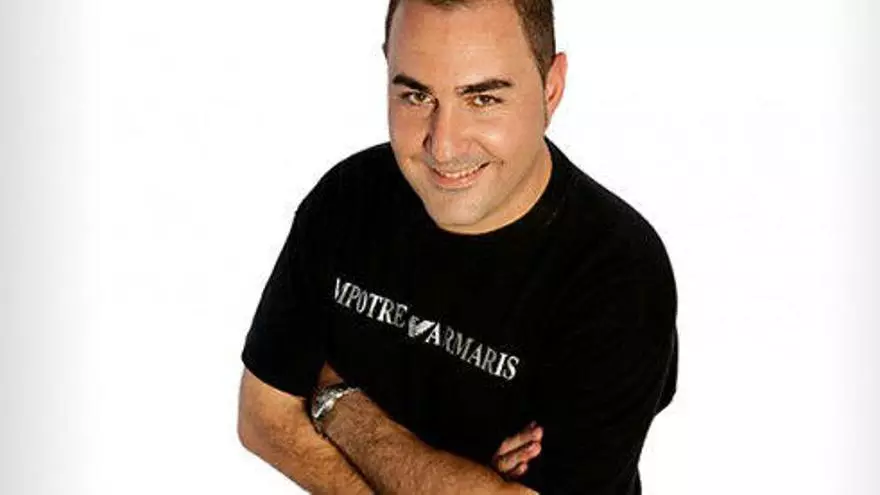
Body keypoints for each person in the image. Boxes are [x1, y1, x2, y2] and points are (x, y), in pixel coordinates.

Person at [237, 0, 678, 493]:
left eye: (483, 98)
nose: (443, 146)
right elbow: (262, 420)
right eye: (416, 96)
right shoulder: (348, 199)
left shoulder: (617, 273)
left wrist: (339, 406)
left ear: (551, 89)